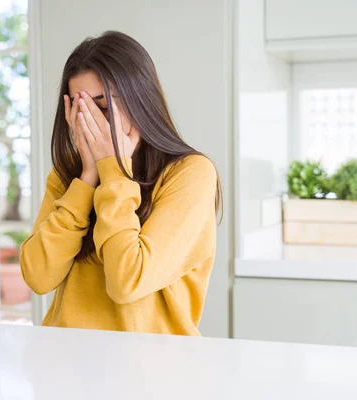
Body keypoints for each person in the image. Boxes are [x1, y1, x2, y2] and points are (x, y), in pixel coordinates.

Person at [20, 31, 222, 336]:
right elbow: (38, 276)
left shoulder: (191, 174)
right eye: (80, 108)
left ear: (139, 98)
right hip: (65, 365)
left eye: (100, 106)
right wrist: (87, 180)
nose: (88, 121)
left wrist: (113, 172)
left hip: (151, 372)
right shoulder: (68, 177)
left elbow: (128, 282)